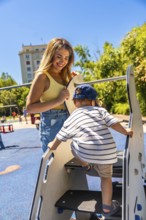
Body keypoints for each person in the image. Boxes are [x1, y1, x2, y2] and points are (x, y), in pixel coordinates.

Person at [48, 84, 133, 217]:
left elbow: (62, 134)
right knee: (106, 178)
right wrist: (126, 131)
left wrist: (53, 145)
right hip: (106, 153)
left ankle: (86, 165)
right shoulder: (100, 111)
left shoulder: (74, 115)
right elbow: (114, 123)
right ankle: (107, 207)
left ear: (75, 102)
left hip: (85, 154)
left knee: (73, 147)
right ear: (93, 101)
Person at [26, 37, 77, 152]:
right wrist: (58, 101)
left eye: (66, 58)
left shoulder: (66, 75)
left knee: (70, 162)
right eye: (59, 56)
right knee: (53, 164)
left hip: (69, 120)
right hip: (52, 123)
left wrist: (74, 81)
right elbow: (30, 108)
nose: (62, 61)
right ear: (50, 55)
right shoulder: (42, 76)